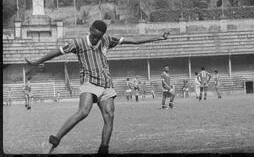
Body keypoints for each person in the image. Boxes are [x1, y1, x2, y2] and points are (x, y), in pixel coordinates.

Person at [25, 20, 170, 154]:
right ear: (90, 30)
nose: (95, 39)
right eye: (94, 36)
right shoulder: (78, 43)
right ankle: (56, 138)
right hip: (89, 81)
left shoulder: (107, 40)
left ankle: (103, 149)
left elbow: (133, 40)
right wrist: (37, 62)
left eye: (98, 37)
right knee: (83, 111)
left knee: (110, 116)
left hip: (106, 83)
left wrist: (159, 37)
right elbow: (57, 52)